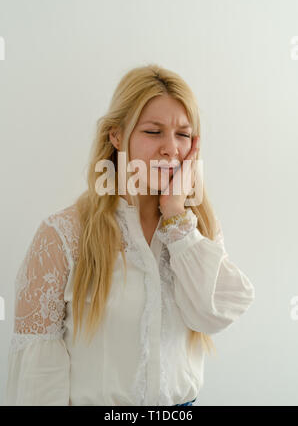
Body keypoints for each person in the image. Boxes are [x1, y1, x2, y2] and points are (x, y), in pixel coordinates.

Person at [4, 64, 255, 406]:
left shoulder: (195, 230)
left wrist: (177, 218)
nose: (171, 148)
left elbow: (211, 315)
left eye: (183, 134)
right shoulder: (62, 235)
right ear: (116, 135)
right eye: (154, 132)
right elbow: (38, 381)